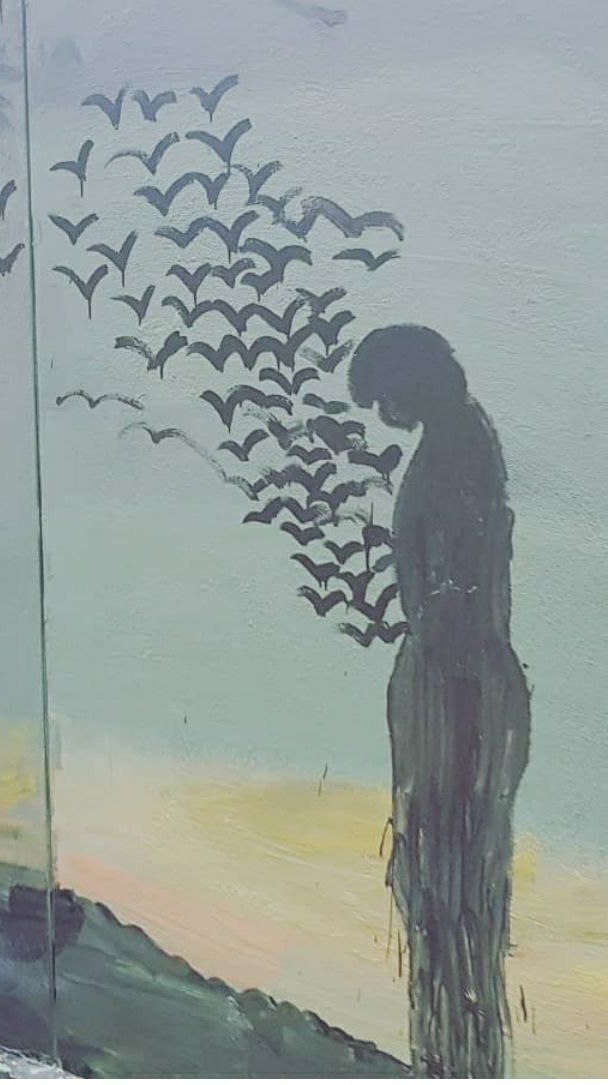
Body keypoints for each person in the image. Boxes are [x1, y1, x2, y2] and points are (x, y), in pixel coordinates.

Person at [348, 326, 530, 1077]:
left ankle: (453, 1056)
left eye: (385, 395)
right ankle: (455, 1052)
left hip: (454, 689)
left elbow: (456, 590)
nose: (382, 411)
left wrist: (434, 679)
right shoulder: (462, 441)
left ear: (411, 381)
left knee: (445, 895)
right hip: (460, 682)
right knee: (453, 899)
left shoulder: (456, 449)